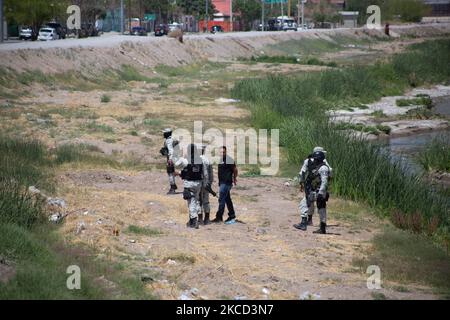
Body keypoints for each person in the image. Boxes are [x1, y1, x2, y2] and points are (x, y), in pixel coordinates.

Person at [294, 148, 331, 234]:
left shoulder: (323, 168)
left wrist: (321, 193)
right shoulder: (324, 166)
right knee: (321, 208)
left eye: (316, 159)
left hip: (318, 191)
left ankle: (304, 223)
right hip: (317, 190)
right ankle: (322, 228)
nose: (314, 160)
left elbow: (324, 181)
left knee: (304, 204)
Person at [176, 144, 205, 229]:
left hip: (189, 184)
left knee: (191, 203)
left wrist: (181, 156)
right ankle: (193, 220)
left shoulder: (186, 160)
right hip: (198, 183)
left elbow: (177, 164)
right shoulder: (200, 160)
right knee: (195, 201)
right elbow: (203, 172)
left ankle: (194, 220)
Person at [212, 146, 238, 225]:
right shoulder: (221, 160)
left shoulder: (229, 160)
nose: (222, 153)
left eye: (223, 152)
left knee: (221, 199)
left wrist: (234, 178)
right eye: (221, 152)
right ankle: (232, 215)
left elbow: (235, 170)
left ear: (226, 152)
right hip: (222, 183)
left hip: (226, 183)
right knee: (227, 199)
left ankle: (219, 217)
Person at [199, 144, 214, 225]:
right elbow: (211, 174)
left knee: (199, 201)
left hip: (199, 183)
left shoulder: (197, 159)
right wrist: (210, 183)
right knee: (206, 201)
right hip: (206, 184)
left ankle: (200, 219)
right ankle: (207, 219)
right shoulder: (208, 160)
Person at [161, 128, 178, 194]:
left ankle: (172, 188)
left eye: (164, 133)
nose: (163, 134)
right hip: (176, 157)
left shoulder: (168, 141)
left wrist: (170, 159)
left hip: (171, 158)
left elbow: (171, 150)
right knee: (172, 172)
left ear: (167, 133)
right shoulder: (174, 139)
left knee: (170, 173)